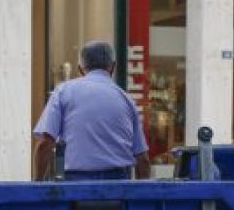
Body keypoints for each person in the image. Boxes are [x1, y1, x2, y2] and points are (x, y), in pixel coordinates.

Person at [32, 40, 151, 181]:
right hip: (119, 186)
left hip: (76, 185)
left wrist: (37, 184)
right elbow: (142, 159)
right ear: (112, 67)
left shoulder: (63, 92)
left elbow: (45, 143)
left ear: (80, 69)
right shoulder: (126, 99)